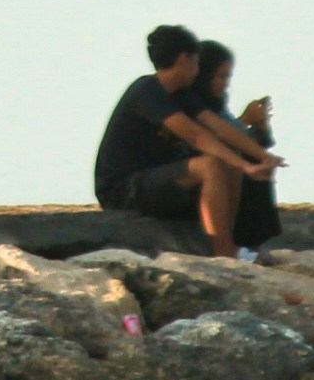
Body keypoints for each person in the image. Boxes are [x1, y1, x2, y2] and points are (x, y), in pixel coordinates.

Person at [93, 22, 280, 258]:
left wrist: (263, 157)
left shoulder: (182, 94)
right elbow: (195, 134)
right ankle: (223, 252)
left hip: (158, 181)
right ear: (184, 60)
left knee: (228, 158)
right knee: (211, 165)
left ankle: (235, 243)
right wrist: (246, 166)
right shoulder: (146, 92)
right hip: (124, 189)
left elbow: (218, 127)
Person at [190, 38, 285, 258]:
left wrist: (259, 127)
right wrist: (245, 121)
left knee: (256, 162)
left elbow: (242, 138)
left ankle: (254, 242)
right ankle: (238, 245)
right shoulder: (192, 102)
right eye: (221, 76)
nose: (225, 83)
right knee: (244, 164)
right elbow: (214, 137)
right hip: (196, 170)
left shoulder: (215, 103)